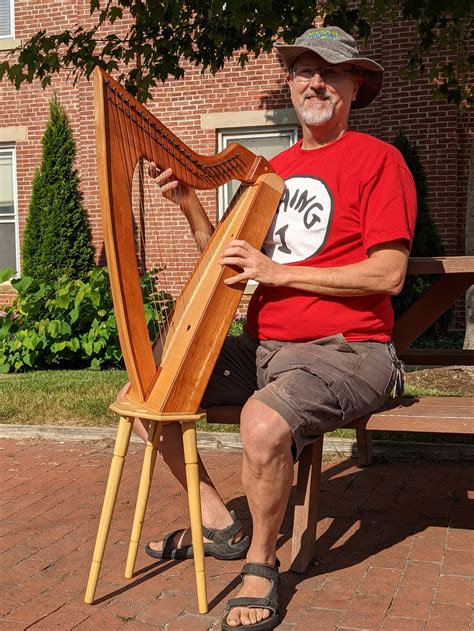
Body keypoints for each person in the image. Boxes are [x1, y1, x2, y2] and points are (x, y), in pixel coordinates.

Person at [132, 25, 417, 630]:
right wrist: (188, 202)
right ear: (291, 83)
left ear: (354, 86)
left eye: (331, 72)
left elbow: (389, 275)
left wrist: (279, 274)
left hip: (349, 350)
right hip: (268, 348)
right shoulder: (270, 173)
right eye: (303, 70)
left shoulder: (378, 161)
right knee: (148, 386)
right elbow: (228, 264)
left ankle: (262, 564)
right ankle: (219, 523)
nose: (315, 81)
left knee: (264, 422)